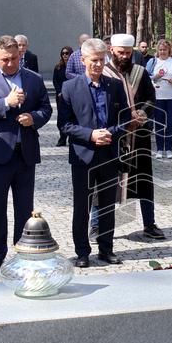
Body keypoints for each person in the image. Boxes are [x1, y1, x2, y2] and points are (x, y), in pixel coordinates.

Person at [0, 35, 53, 275]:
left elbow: (45, 108)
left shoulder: (33, 78)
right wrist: (5, 102)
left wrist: (33, 118)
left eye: (14, 58)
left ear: (20, 55)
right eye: (5, 59)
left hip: (25, 153)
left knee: (24, 209)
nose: (10, 63)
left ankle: (23, 254)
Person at [60, 38, 131, 266]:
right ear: (83, 60)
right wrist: (90, 135)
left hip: (109, 153)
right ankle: (82, 252)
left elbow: (125, 119)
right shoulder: (70, 87)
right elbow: (65, 124)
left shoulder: (115, 86)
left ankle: (106, 249)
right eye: (94, 60)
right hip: (83, 155)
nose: (98, 65)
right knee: (82, 206)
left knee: (108, 204)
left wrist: (110, 133)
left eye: (101, 60)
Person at [103, 34, 165, 240]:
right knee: (104, 181)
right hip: (113, 137)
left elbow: (150, 98)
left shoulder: (141, 71)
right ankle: (97, 225)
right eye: (121, 52)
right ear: (112, 50)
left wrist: (143, 113)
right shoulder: (103, 73)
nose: (124, 56)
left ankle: (149, 224)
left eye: (128, 53)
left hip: (139, 136)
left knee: (144, 180)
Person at [146, 39, 172, 158]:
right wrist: (155, 77)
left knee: (170, 124)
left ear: (169, 50)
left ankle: (168, 149)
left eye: (165, 49)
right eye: (160, 50)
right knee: (158, 124)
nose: (162, 52)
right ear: (157, 50)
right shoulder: (153, 61)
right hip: (157, 98)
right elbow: (145, 77)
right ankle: (159, 149)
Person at [53, 46, 72, 146]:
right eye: (63, 53)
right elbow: (55, 81)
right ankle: (62, 138)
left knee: (71, 116)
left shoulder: (73, 66)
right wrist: (59, 91)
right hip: (61, 96)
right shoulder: (58, 67)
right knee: (61, 117)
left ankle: (72, 137)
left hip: (71, 95)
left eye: (67, 53)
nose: (65, 55)